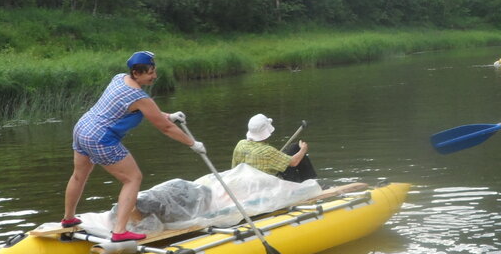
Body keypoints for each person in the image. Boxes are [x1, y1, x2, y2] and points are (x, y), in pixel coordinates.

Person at [63, 51, 205, 241]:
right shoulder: (139, 96)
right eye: (149, 72)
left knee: (79, 175)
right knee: (133, 178)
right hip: (100, 137)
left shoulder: (119, 78)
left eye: (154, 71)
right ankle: (120, 232)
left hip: (83, 129)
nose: (154, 76)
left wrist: (169, 115)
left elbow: (148, 111)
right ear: (136, 73)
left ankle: (69, 219)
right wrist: (193, 143)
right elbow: (165, 128)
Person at [231, 113, 317, 183]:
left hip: (246, 183)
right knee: (298, 149)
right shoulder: (267, 151)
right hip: (268, 186)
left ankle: (310, 183)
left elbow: (234, 169)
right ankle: (313, 183)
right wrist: (303, 150)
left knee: (293, 148)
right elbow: (294, 162)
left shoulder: (241, 144)